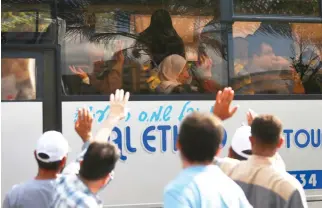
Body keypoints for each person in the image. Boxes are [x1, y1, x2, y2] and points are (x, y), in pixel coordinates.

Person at [163, 88, 252, 207]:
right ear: (218, 150)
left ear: (178, 144)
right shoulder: (232, 189)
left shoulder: (178, 191)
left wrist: (217, 117)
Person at [51, 89, 130, 208]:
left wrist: (112, 118)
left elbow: (91, 149)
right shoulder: (88, 204)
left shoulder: (65, 179)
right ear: (106, 179)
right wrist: (113, 117)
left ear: (82, 163)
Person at [219, 114, 308, 208]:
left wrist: (217, 116)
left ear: (251, 140)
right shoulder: (289, 187)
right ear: (281, 142)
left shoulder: (226, 171)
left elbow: (204, 156)